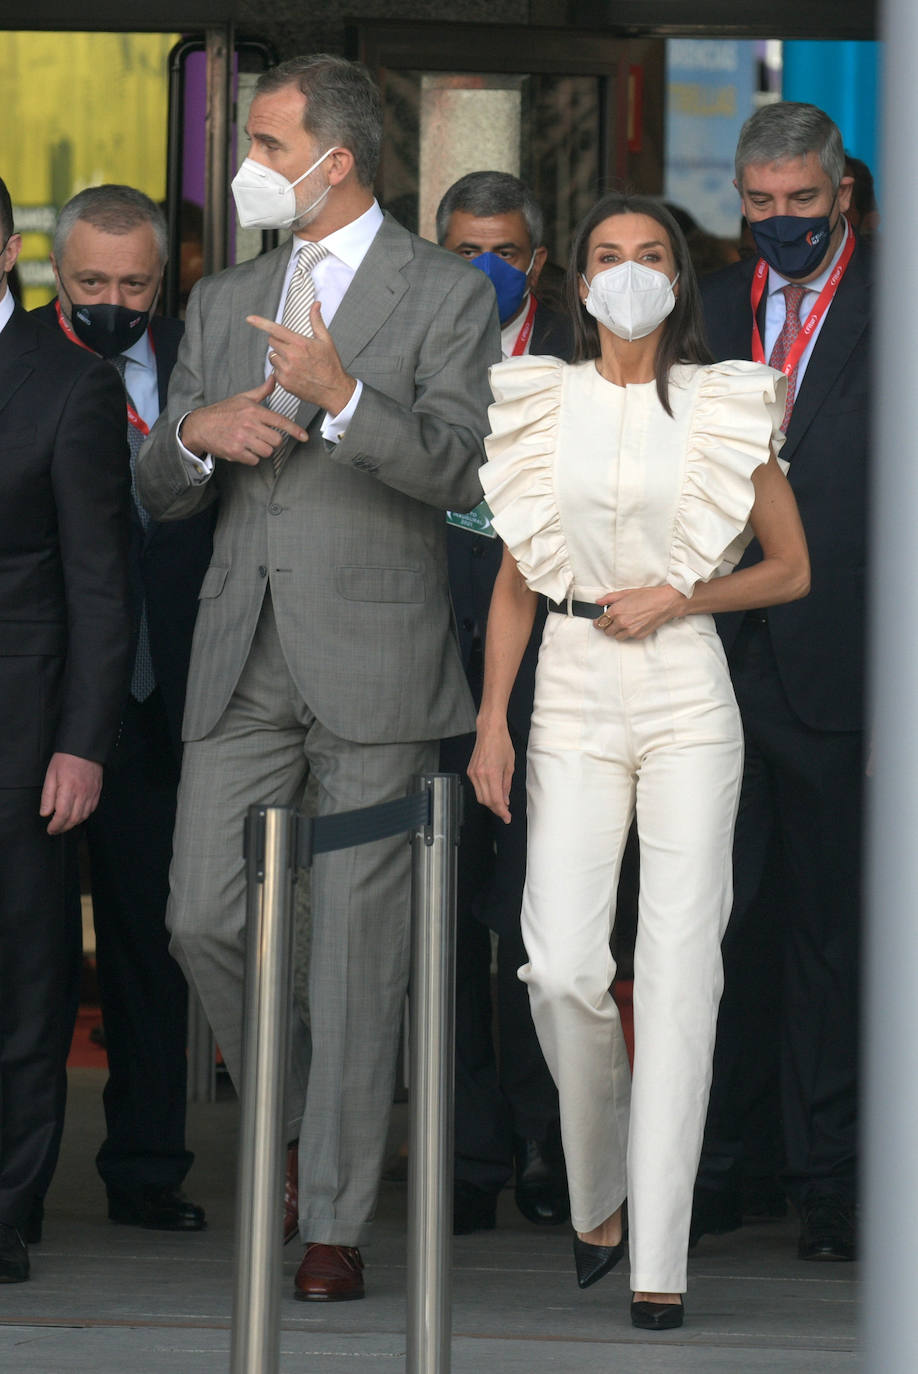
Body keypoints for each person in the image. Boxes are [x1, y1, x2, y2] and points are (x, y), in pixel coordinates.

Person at [136, 55, 497, 1301]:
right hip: (241, 647)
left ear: (335, 161)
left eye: (269, 143)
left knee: (355, 947)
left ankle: (333, 1217)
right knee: (200, 913)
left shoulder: (447, 293)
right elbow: (155, 484)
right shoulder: (223, 291)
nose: (251, 163)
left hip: (382, 654)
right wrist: (197, 433)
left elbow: (464, 472)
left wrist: (343, 400)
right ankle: (296, 1122)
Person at [468, 193, 809, 1329]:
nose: (628, 274)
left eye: (649, 255)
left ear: (679, 277)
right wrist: (492, 721)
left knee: (679, 970)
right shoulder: (536, 399)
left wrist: (685, 592)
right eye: (608, 256)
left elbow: (792, 567)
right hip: (565, 681)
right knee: (561, 965)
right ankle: (601, 1183)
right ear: (575, 277)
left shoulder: (724, 401)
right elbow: (517, 575)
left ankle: (659, 1254)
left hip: (686, 688)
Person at [692, 102, 869, 1263]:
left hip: (849, 659)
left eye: (802, 202)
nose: (781, 223)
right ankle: (724, 1163)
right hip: (709, 661)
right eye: (760, 205)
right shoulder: (709, 307)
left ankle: (834, 1179)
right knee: (715, 921)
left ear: (842, 192)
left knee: (834, 933)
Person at [34, 185, 213, 1231]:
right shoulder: (24, 367)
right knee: (37, 953)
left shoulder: (202, 358)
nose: (113, 301)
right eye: (92, 282)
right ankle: (27, 1179)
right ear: (60, 275)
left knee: (157, 942)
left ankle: (148, 1167)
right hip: (47, 707)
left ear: (164, 278)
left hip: (167, 696)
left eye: (134, 283)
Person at [0, 176, 132, 1283]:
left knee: (24, 973)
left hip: (22, 727)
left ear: (6, 248)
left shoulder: (69, 385)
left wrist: (83, 742)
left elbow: (99, 582)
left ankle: (7, 1203)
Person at [436, 170, 572, 1234]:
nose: (482, 267)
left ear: (534, 261)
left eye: (502, 249)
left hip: (549, 683)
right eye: (461, 247)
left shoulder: (580, 361)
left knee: (542, 924)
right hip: (426, 672)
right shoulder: (402, 347)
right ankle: (465, 1152)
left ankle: (547, 1145)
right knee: (440, 927)